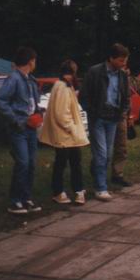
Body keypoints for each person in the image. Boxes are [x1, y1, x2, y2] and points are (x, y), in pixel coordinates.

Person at [0, 47, 43, 214]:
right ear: (30, 61)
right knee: (23, 163)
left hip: (31, 129)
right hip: (18, 128)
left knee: (31, 164)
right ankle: (15, 201)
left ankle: (26, 198)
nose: (35, 63)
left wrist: (38, 113)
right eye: (35, 60)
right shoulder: (14, 79)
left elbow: (33, 102)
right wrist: (15, 119)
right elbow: (0, 100)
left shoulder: (31, 80)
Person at [79, 43, 130, 201]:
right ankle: (100, 188)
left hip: (113, 118)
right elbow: (83, 95)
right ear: (111, 58)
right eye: (121, 60)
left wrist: (123, 111)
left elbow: (126, 97)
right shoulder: (95, 72)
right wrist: (92, 112)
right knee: (101, 154)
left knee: (107, 154)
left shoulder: (122, 75)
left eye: (125, 60)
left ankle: (98, 177)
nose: (123, 64)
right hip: (98, 118)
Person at [39, 60, 89, 205]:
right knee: (65, 163)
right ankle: (59, 192)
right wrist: (73, 129)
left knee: (72, 162)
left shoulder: (64, 86)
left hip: (67, 135)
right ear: (73, 72)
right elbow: (61, 115)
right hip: (66, 134)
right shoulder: (62, 87)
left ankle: (77, 190)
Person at [111, 66, 132, 187]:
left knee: (121, 146)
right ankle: (98, 172)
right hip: (106, 115)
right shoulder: (107, 75)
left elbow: (128, 97)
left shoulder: (125, 77)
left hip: (120, 116)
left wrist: (127, 115)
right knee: (105, 149)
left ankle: (118, 174)